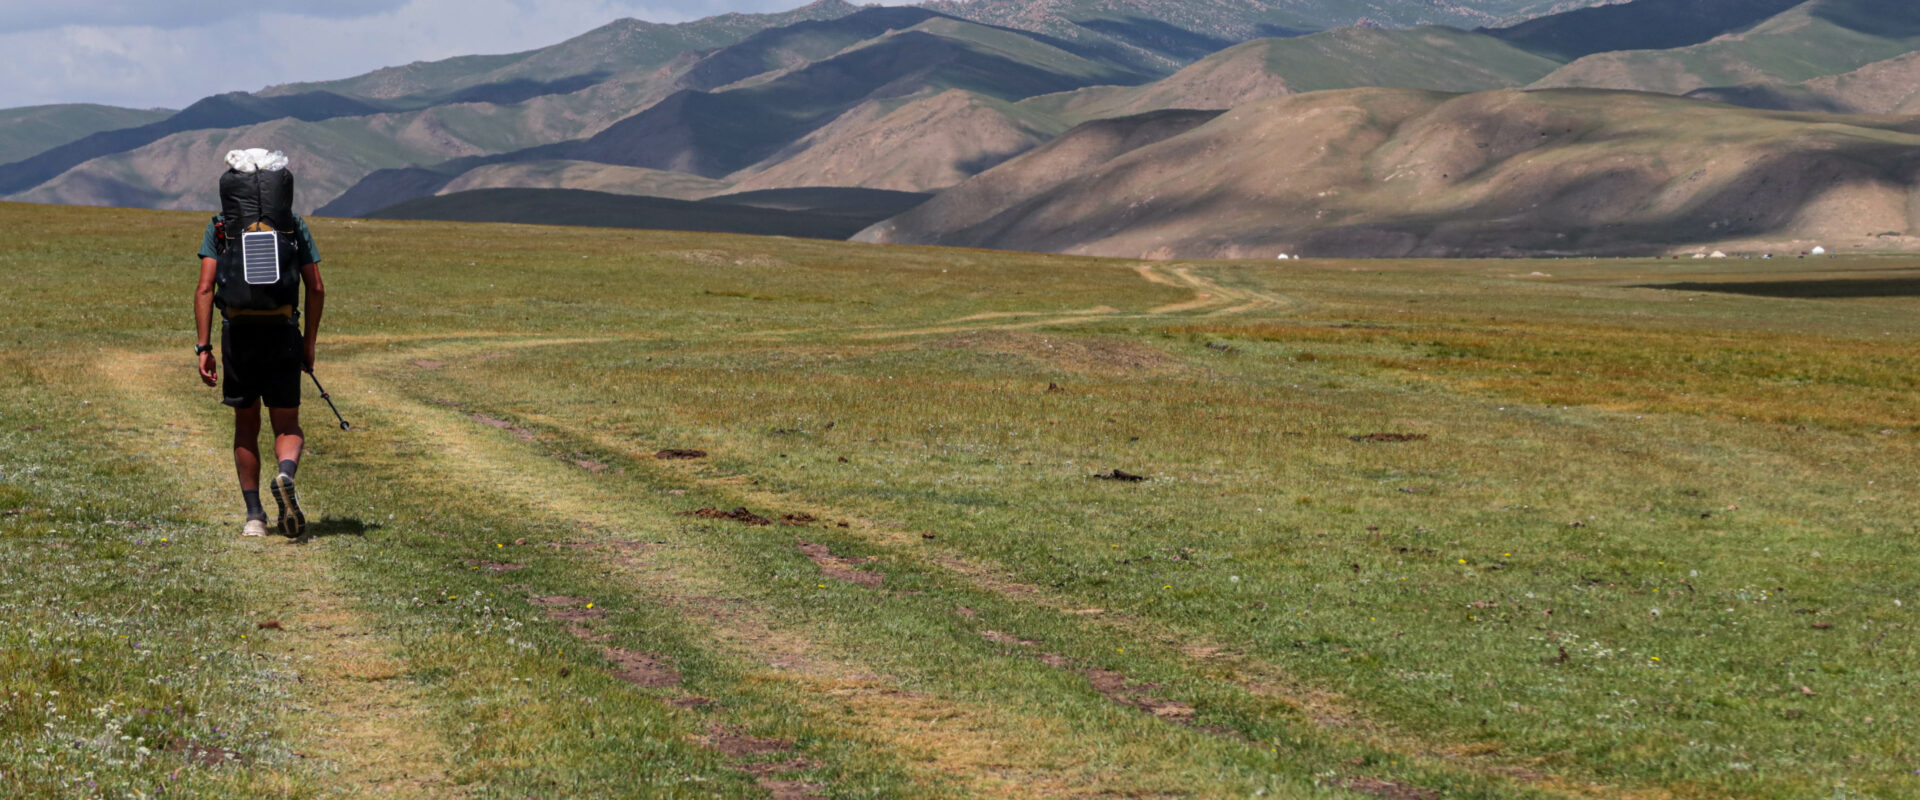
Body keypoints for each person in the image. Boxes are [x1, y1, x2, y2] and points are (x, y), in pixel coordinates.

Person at [193, 187, 326, 539]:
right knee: (287, 425)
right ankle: (285, 473)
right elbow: (316, 288)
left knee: (246, 425)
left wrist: (203, 347)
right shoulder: (292, 224)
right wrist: (308, 343)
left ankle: (254, 517)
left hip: (238, 335)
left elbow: (205, 288)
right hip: (282, 333)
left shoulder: (221, 226)